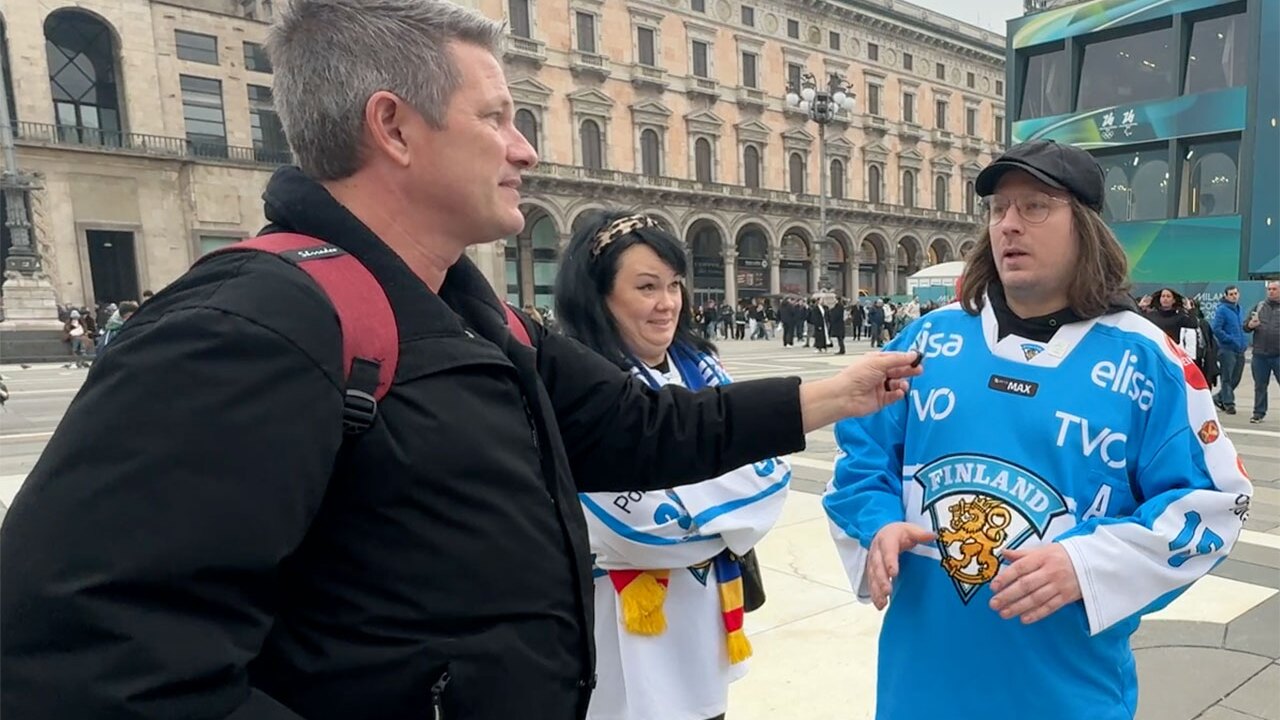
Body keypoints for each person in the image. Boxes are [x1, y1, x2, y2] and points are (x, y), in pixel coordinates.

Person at [0, 3, 923, 719]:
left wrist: (839, 392)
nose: (526, 149)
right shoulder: (251, 327)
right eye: (497, 118)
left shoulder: (475, 316)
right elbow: (86, 655)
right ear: (394, 128)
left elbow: (642, 430)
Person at [823, 139, 1252, 720]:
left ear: (1085, 226)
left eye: (1035, 206)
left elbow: (1216, 505)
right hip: (919, 686)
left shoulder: (1150, 361)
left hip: (1066, 693)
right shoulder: (927, 341)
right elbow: (860, 462)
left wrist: (1087, 564)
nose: (1009, 226)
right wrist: (877, 527)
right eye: (999, 209)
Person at [554, 210, 790, 720]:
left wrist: (690, 498)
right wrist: (718, 509)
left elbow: (769, 480)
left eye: (674, 285)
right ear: (599, 295)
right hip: (614, 633)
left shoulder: (700, 367)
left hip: (700, 622)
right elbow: (635, 529)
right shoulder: (579, 383)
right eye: (646, 287)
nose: (667, 304)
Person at [1245, 280, 1280, 423]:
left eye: (1274, 289)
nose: (1271, 291)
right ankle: (1258, 413)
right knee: (1260, 385)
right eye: (1269, 289)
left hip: (1278, 354)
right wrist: (1250, 325)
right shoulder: (1259, 306)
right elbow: (1245, 326)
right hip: (1260, 355)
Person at [1211, 285, 1247, 415]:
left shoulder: (1239, 309)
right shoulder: (1222, 310)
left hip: (1240, 348)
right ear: (1226, 296)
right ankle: (1229, 403)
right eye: (1231, 294)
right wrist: (1229, 339)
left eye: (1235, 293)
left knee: (1236, 378)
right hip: (1227, 349)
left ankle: (1218, 397)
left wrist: (1243, 341)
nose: (1234, 296)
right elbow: (1216, 329)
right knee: (1227, 377)